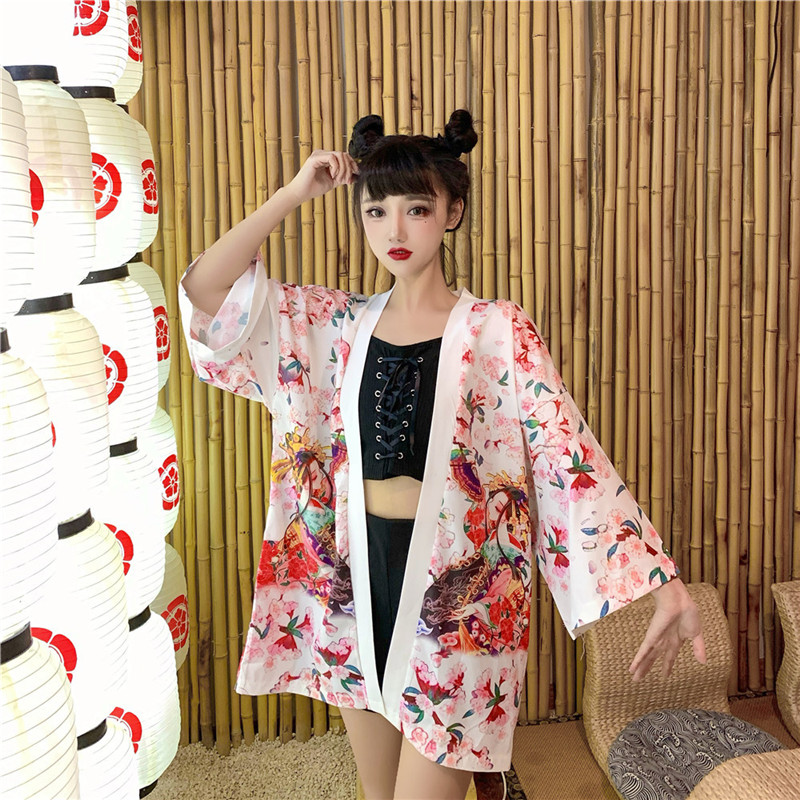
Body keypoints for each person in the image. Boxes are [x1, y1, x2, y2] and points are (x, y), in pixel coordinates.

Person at [179, 110, 706, 800]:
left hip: (460, 601)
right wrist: (292, 193)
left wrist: (663, 581)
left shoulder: (496, 330)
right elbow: (207, 292)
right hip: (352, 587)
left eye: (417, 209)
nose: (394, 231)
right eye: (376, 211)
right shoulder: (335, 325)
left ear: (452, 212)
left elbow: (565, 448)